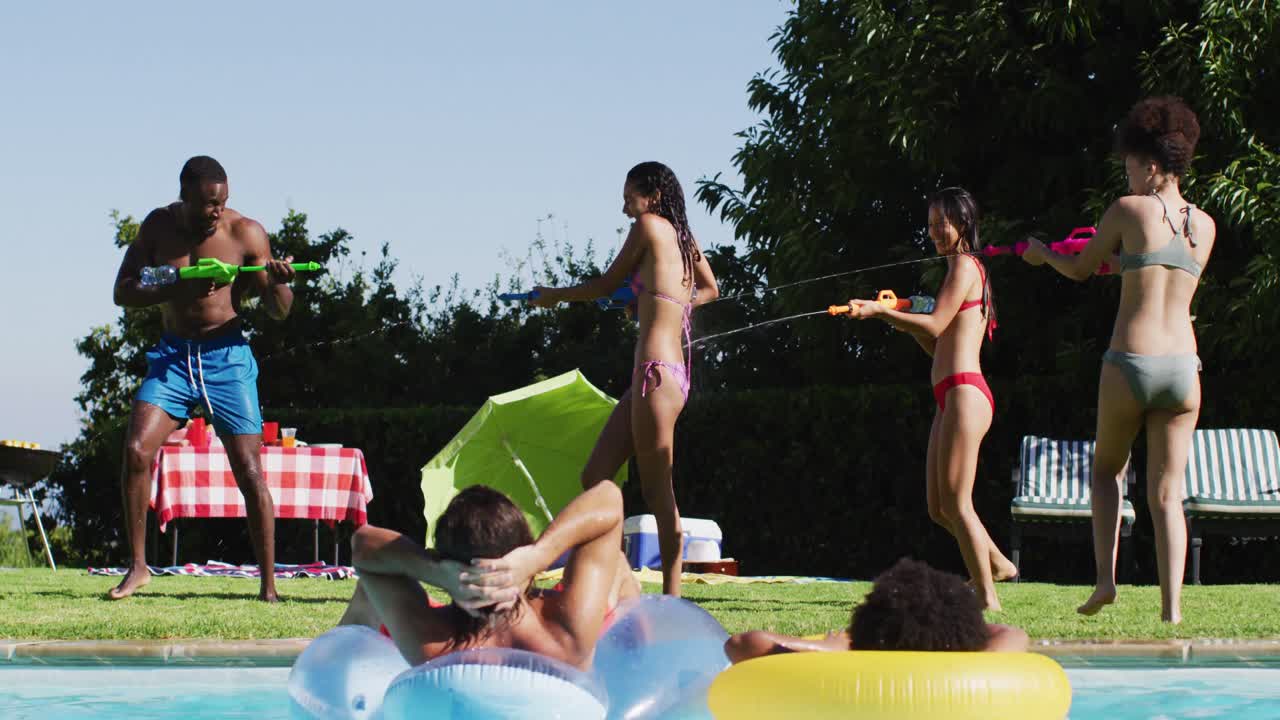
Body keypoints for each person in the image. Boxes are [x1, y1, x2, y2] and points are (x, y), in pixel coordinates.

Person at [1023, 96, 1214, 623]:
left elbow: (1080, 267)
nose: (1125, 173)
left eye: (1129, 163)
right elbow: (1159, 275)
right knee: (1167, 494)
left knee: (1107, 470)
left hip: (1131, 360)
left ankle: (1106, 582)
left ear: (1151, 163)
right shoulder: (1206, 226)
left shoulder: (1128, 210)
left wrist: (1043, 254)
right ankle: (1172, 611)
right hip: (1183, 369)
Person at [109, 156, 299, 602]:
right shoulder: (157, 227)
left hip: (227, 357)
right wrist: (177, 287)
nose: (217, 211)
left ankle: (268, 587)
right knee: (137, 451)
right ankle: (138, 568)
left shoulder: (245, 233)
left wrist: (276, 283)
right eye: (208, 204)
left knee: (250, 471)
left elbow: (281, 311)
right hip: (173, 357)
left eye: (223, 203)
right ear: (185, 195)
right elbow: (122, 291)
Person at [528, 162, 719, 596]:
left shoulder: (650, 225)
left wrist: (553, 296)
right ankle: (616, 576)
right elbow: (709, 289)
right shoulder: (682, 237)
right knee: (594, 476)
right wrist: (660, 302)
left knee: (657, 492)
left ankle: (671, 594)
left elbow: (604, 284)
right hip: (660, 377)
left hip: (655, 374)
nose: (624, 208)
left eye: (628, 195)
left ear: (651, 195)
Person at [850, 187, 1017, 611]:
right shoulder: (955, 271)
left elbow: (937, 321)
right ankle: (998, 564)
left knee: (958, 503)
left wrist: (882, 312)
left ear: (964, 222)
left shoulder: (964, 265)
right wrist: (895, 319)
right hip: (950, 394)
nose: (936, 232)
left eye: (943, 222)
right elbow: (937, 340)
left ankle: (988, 598)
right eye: (931, 225)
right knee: (939, 506)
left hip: (966, 391)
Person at [337, 482, 641, 668]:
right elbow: (609, 496)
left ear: (444, 560)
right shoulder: (567, 635)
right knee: (615, 564)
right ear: (523, 553)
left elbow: (362, 543)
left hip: (450, 637)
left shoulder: (429, 647)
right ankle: (641, 648)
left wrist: (434, 572)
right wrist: (539, 555)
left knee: (370, 588)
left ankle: (333, 656)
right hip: (556, 641)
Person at [725, 557, 1029, 663]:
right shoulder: (973, 661)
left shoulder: (852, 655)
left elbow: (741, 644)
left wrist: (830, 648)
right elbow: (1012, 634)